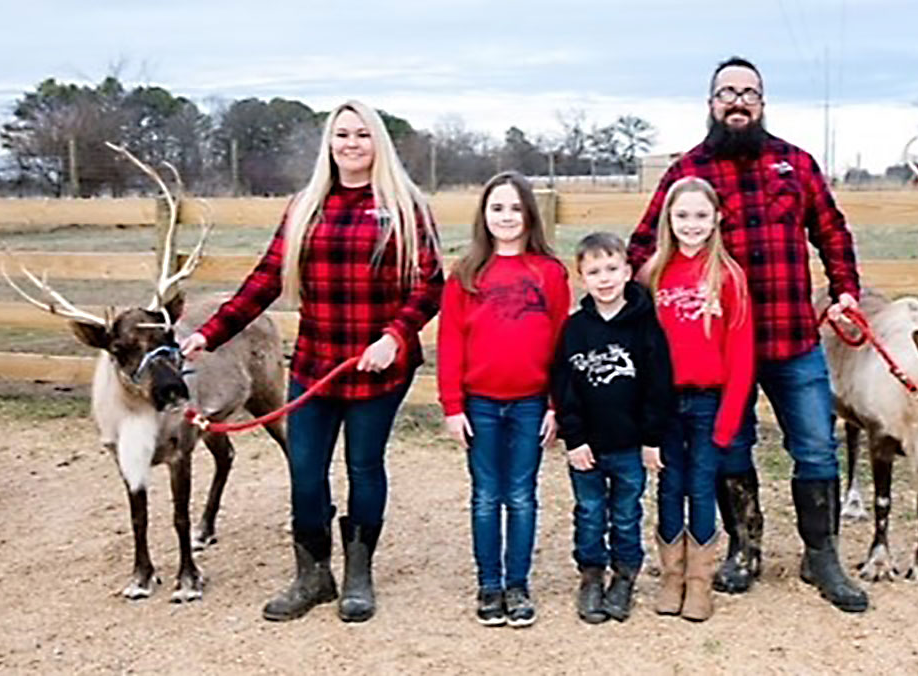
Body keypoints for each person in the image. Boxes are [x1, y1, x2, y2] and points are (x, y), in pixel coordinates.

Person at [180, 100, 443, 623]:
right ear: (329, 142)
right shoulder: (305, 205)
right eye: (342, 134)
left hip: (379, 365)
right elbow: (265, 279)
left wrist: (395, 335)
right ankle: (313, 574)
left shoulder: (405, 206)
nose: (351, 144)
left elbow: (429, 284)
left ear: (377, 143)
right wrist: (211, 333)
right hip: (316, 362)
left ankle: (359, 575)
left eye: (362, 135)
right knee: (305, 470)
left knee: (364, 467)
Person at [627, 56, 868, 613]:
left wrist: (845, 290)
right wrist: (632, 305)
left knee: (814, 446)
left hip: (792, 338)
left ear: (762, 102)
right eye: (726, 92)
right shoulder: (688, 173)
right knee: (729, 447)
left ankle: (822, 554)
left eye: (748, 92)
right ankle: (744, 546)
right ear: (711, 103)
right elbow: (645, 247)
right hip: (716, 352)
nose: (737, 101)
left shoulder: (795, 164)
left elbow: (831, 229)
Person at [437, 171, 570, 628]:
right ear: (484, 215)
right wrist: (452, 405)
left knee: (522, 495)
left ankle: (518, 584)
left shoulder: (549, 273)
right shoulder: (467, 274)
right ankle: (489, 584)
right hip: (481, 405)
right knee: (485, 496)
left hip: (532, 403)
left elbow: (559, 343)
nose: (507, 216)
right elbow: (451, 341)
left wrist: (556, 405)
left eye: (515, 208)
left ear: (529, 214)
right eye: (497, 208)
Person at [642, 177, 754, 622]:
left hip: (709, 402)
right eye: (682, 215)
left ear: (717, 219)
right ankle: (672, 576)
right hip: (664, 403)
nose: (691, 224)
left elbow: (742, 355)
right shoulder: (652, 274)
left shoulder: (728, 276)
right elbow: (639, 347)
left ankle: (699, 581)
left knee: (702, 487)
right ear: (668, 218)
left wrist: (730, 418)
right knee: (669, 487)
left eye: (701, 216)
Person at [552, 232, 672, 625]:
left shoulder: (644, 326)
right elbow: (564, 389)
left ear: (627, 271)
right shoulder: (575, 330)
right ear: (581, 278)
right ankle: (591, 574)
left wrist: (652, 439)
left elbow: (658, 386)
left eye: (612, 269)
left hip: (630, 445)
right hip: (587, 446)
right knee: (589, 512)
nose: (604, 278)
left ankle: (624, 574)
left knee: (625, 512)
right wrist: (574, 438)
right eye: (594, 271)